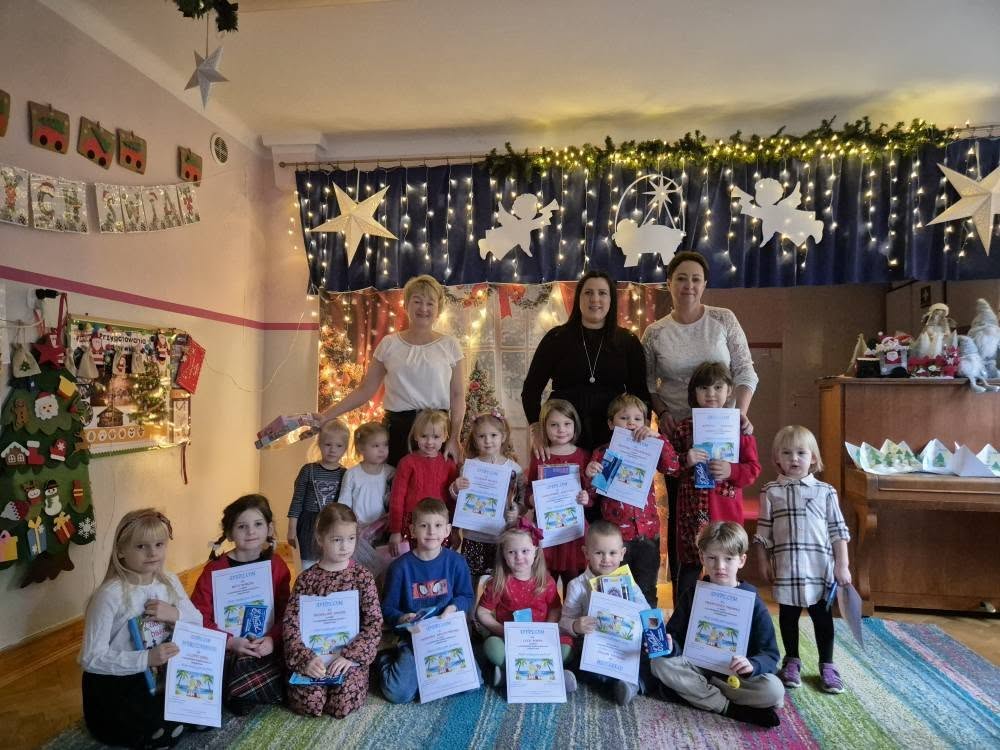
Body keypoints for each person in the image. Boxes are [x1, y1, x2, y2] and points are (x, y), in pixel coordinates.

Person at [641, 251, 759, 593]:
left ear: (705, 283)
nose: (688, 285)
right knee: (685, 521)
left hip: (723, 433)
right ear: (669, 283)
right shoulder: (655, 332)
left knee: (723, 514)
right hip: (680, 436)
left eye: (696, 279)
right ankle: (686, 602)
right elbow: (647, 384)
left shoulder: (723, 319)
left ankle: (725, 597)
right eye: (681, 278)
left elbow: (745, 372)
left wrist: (740, 414)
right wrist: (663, 415)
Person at [314, 274, 466, 465]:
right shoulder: (389, 344)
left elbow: (458, 395)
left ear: (438, 309)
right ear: (406, 305)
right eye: (417, 301)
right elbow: (365, 390)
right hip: (397, 431)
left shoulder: (450, 345)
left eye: (430, 303)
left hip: (436, 433)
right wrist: (326, 416)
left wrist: (454, 437)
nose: (423, 308)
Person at [80, 509, 202, 749]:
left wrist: (174, 614)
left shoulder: (169, 581)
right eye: (141, 546)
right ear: (121, 551)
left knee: (202, 706)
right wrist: (146, 659)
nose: (152, 552)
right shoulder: (109, 595)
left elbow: (197, 622)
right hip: (118, 680)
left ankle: (172, 718)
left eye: (159, 544)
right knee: (160, 730)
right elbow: (91, 658)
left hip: (159, 671)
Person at [648, 522, 784, 728]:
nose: (720, 566)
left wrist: (753, 665)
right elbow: (675, 636)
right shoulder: (693, 594)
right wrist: (669, 646)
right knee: (658, 663)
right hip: (695, 669)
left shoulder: (753, 601)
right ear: (702, 558)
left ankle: (693, 694)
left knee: (774, 690)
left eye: (728, 559)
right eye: (712, 558)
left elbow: (770, 654)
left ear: (741, 560)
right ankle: (728, 708)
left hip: (734, 678)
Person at [753, 425, 852, 694]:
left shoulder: (825, 491)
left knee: (822, 618)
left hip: (819, 569)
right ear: (777, 459)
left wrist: (842, 565)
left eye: (801, 453)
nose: (794, 459)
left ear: (813, 458)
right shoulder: (770, 491)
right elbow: (763, 532)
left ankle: (827, 664)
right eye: (786, 453)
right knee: (788, 617)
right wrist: (762, 561)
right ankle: (792, 660)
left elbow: (838, 531)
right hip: (787, 568)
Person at [522, 270, 650, 466]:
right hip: (563, 435)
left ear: (611, 300)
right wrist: (536, 429)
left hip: (613, 436)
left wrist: (643, 429)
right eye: (588, 292)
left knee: (604, 487)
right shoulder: (556, 338)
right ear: (578, 298)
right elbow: (531, 390)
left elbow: (640, 393)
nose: (595, 299)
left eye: (602, 293)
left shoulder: (628, 341)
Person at [190, 494, 291, 714]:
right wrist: (229, 642)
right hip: (228, 645)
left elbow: (287, 612)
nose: (251, 532)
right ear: (229, 533)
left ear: (269, 528)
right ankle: (245, 689)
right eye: (242, 526)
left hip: (266, 643)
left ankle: (242, 689)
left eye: (258, 524)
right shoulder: (214, 570)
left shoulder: (276, 565)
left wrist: (272, 639)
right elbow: (197, 616)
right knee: (211, 663)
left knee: (294, 660)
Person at [671, 362, 761, 602]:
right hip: (691, 513)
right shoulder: (684, 428)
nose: (711, 393)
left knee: (725, 566)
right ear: (694, 392)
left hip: (724, 511)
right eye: (704, 388)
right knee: (690, 566)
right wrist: (685, 460)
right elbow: (669, 466)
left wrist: (731, 470)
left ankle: (725, 612)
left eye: (718, 387)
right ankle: (685, 615)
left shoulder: (739, 427)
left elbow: (753, 469)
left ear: (729, 390)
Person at [282, 504, 383, 718]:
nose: (345, 546)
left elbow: (374, 622)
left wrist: (350, 656)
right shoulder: (306, 579)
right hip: (314, 659)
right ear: (320, 539)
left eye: (351, 538)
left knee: (342, 704)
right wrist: (306, 659)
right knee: (310, 703)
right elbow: (291, 624)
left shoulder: (362, 577)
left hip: (348, 659)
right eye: (337, 540)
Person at [585, 394, 680, 607]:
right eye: (624, 418)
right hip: (615, 540)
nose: (631, 423)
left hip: (647, 535)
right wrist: (590, 475)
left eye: (637, 419)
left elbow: (673, 468)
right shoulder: (602, 453)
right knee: (615, 591)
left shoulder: (651, 447)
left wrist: (659, 438)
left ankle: (647, 628)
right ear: (611, 424)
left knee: (647, 591)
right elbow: (591, 497)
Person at [379, 498, 476, 703]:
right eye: (424, 526)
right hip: (413, 638)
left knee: (470, 685)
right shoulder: (399, 568)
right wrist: (402, 618)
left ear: (447, 530)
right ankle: (385, 658)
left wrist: (454, 607)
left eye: (438, 525)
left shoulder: (456, 562)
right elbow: (387, 608)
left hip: (448, 637)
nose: (431, 531)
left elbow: (466, 596)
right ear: (412, 530)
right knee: (399, 694)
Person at [476, 519, 576, 693]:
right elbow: (482, 612)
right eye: (512, 552)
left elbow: (555, 608)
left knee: (567, 649)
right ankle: (544, 674)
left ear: (535, 551)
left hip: (541, 640)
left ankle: (509, 675)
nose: (519, 557)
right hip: (511, 640)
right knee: (491, 646)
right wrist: (501, 630)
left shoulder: (546, 581)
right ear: (503, 554)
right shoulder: (498, 583)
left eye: (525, 551)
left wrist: (548, 629)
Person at [560, 520, 650, 706]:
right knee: (579, 660)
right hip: (594, 647)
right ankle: (574, 676)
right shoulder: (577, 585)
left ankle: (630, 685)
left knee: (646, 659)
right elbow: (564, 621)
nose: (606, 559)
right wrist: (576, 625)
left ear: (622, 553)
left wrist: (633, 612)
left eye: (612, 553)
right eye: (599, 553)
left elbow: (646, 611)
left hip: (623, 644)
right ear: (586, 553)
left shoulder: (630, 583)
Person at [523, 398, 591, 588]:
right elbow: (529, 488)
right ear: (544, 427)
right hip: (547, 533)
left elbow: (591, 491)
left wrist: (587, 498)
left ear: (575, 425)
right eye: (554, 425)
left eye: (567, 424)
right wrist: (531, 499)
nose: (561, 429)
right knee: (544, 584)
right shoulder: (539, 456)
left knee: (574, 584)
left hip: (573, 533)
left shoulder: (583, 456)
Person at [449, 411, 524, 580]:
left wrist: (517, 511)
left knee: (500, 581)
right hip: (473, 536)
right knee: (470, 579)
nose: (488, 440)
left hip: (501, 536)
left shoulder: (514, 469)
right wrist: (456, 488)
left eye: (493, 435)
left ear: (503, 436)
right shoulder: (468, 468)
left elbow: (522, 500)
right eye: (482, 436)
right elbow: (459, 500)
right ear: (475, 439)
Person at [387, 409, 459, 556]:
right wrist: (395, 530)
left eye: (436, 436)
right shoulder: (407, 463)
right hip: (412, 525)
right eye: (424, 436)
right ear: (415, 436)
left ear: (445, 436)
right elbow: (397, 498)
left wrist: (455, 530)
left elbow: (453, 502)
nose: (429, 442)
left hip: (439, 526)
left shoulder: (449, 465)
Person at [286, 419, 350, 569]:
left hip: (332, 523)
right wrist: (291, 529)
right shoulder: (308, 470)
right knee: (308, 564)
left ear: (345, 448)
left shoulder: (345, 474)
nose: (333, 450)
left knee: (331, 562)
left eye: (339, 446)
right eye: (328, 444)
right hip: (309, 524)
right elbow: (297, 500)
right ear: (319, 444)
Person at [339, 421, 394, 543]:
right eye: (376, 446)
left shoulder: (390, 472)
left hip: (383, 529)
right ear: (361, 448)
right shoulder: (352, 474)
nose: (382, 450)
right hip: (358, 530)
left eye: (385, 445)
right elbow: (344, 504)